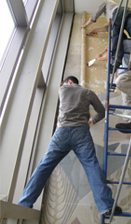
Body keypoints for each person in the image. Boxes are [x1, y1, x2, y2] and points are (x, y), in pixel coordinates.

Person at [18, 76, 122, 215]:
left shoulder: (62, 89)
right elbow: (102, 112)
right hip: (81, 133)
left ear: (69, 82)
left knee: (44, 166)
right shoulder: (88, 92)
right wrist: (91, 120)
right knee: (91, 166)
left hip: (61, 132)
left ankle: (25, 203)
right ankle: (106, 206)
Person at [81, 0, 131, 69]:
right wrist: (95, 30)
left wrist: (85, 25)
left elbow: (94, 16)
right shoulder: (111, 15)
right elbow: (109, 28)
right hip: (130, 13)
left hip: (119, 11)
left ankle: (116, 59)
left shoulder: (107, 3)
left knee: (116, 35)